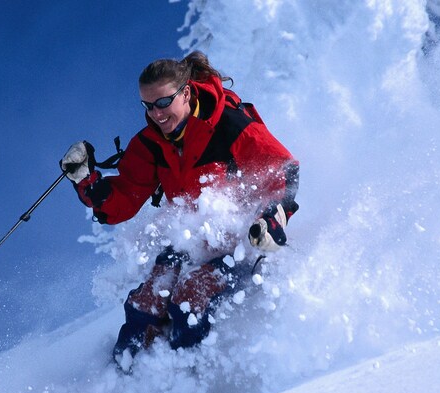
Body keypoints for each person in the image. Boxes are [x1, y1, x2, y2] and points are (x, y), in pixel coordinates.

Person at [60, 51, 299, 369]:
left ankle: (178, 386)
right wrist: (86, 182)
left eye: (162, 102)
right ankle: (118, 389)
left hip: (246, 241)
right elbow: (124, 200)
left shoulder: (229, 124)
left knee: (190, 296)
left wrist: (272, 219)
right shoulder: (150, 144)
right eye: (147, 105)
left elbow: (283, 173)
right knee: (147, 301)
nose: (156, 114)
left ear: (186, 93)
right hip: (194, 240)